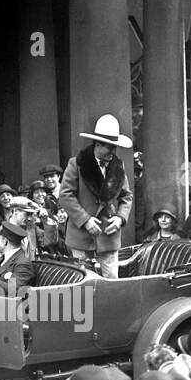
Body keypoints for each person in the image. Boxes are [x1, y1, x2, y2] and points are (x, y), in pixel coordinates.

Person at [58, 114, 134, 279]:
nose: (113, 152)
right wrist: (85, 220)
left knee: (112, 282)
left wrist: (120, 218)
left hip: (108, 235)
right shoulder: (76, 164)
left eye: (115, 148)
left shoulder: (118, 166)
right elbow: (65, 195)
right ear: (97, 145)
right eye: (109, 147)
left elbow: (126, 196)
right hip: (80, 236)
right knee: (81, 282)